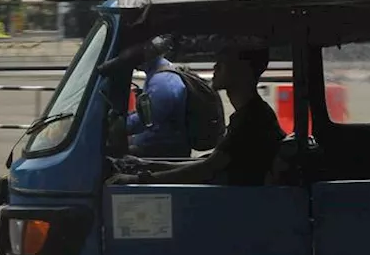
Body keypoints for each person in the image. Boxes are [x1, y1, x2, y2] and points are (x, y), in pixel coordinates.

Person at [111, 45, 284, 186]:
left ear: (244, 71)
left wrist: (140, 179)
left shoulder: (251, 120)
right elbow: (206, 163)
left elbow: (204, 170)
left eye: (223, 63)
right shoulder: (250, 114)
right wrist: (147, 165)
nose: (215, 68)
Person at [126, 36, 192, 158]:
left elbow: (148, 122)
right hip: (163, 141)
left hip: (165, 149)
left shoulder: (161, 83)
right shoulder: (159, 72)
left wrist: (121, 127)